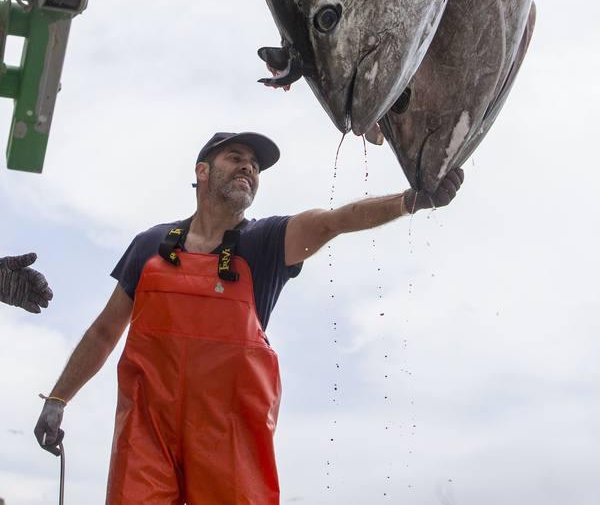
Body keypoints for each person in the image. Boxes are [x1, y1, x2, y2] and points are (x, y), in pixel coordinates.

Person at [34, 130, 463, 504]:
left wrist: (409, 200)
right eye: (235, 159)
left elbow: (335, 222)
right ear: (203, 171)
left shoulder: (266, 243)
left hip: (231, 442)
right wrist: (57, 399)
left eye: (255, 165)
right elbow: (106, 330)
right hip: (147, 437)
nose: (249, 169)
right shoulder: (151, 245)